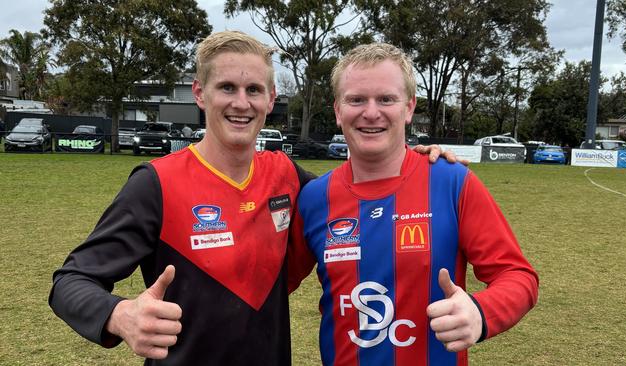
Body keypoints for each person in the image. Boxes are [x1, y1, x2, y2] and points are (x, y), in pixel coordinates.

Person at [49, 31, 458, 365]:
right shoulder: (156, 183)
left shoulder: (285, 175)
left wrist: (411, 162)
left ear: (271, 99)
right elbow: (70, 282)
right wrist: (120, 315)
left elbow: (357, 197)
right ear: (199, 93)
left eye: (253, 89)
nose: (241, 103)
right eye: (227, 87)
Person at [287, 43, 539, 366]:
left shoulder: (452, 182)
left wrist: (480, 311)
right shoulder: (314, 199)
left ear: (409, 107)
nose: (371, 112)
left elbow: (518, 275)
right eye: (356, 99)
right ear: (338, 111)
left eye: (386, 99)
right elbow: (270, 287)